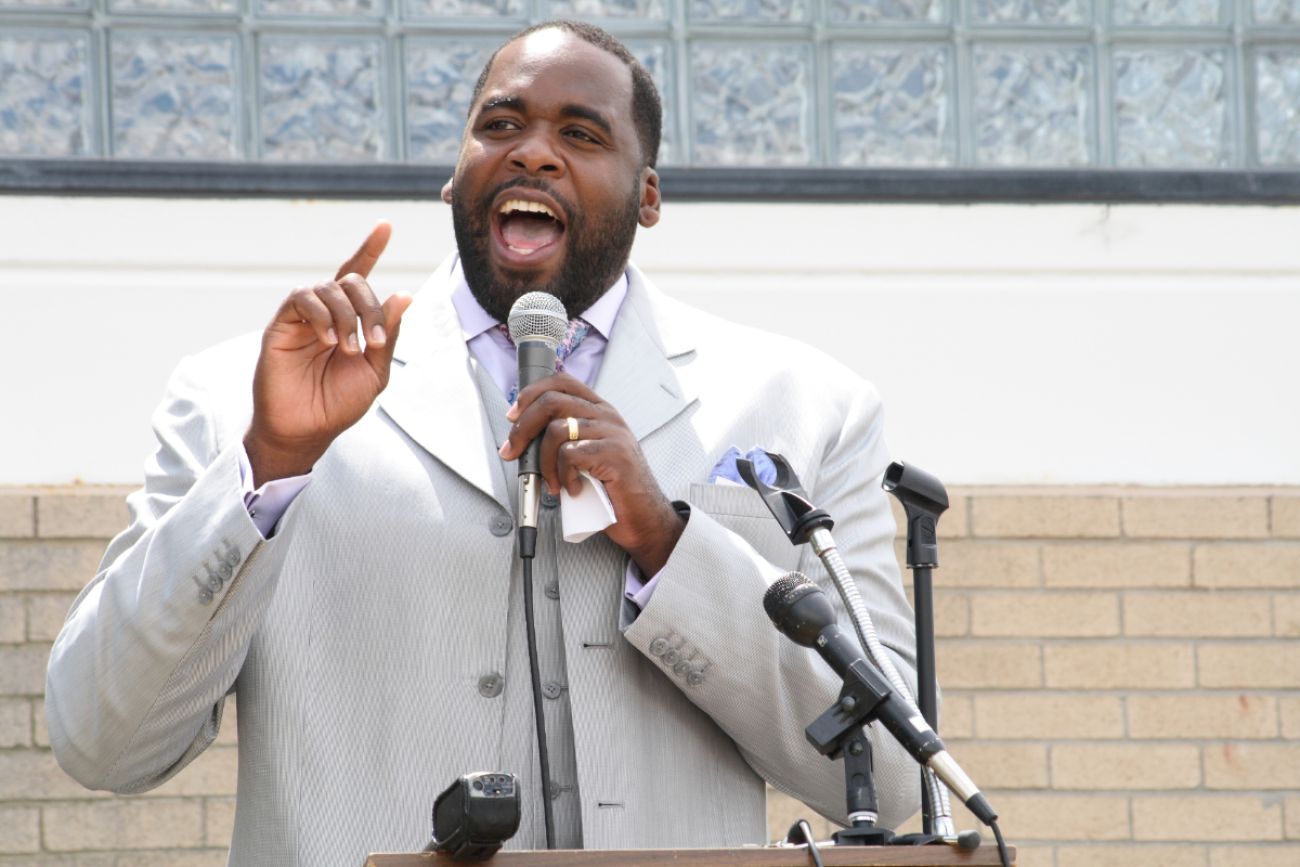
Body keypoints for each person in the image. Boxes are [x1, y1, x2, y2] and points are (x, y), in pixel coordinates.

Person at [46, 20, 922, 865]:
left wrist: (668, 540)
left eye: (581, 134)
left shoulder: (804, 407)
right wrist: (268, 470)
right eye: (500, 125)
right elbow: (101, 743)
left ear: (648, 194)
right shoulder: (243, 397)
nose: (534, 152)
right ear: (454, 177)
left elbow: (891, 774)